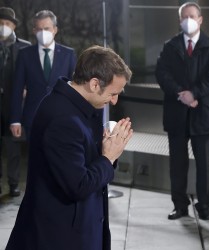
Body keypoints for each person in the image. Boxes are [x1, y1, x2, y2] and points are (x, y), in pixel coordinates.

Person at [5, 45, 133, 250]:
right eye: (113, 93)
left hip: (78, 228)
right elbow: (79, 186)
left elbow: (87, 161)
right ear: (94, 84)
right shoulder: (63, 119)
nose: (114, 100)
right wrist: (108, 157)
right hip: (59, 236)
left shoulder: (81, 105)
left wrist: (107, 148)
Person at [155, 2, 209, 220]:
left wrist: (194, 94)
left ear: (200, 19)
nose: (188, 19)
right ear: (179, 20)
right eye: (184, 16)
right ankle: (180, 205)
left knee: (205, 165)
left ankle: (204, 206)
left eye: (192, 16)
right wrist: (181, 93)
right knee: (177, 164)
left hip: (204, 114)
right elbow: (162, 74)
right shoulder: (170, 46)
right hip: (177, 114)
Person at [10, 9, 76, 140]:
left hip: (61, 118)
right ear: (34, 31)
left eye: (46, 28)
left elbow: (75, 88)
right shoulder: (25, 54)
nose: (43, 32)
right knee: (35, 159)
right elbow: (17, 89)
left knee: (59, 158)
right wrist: (15, 120)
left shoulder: (68, 54)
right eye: (39, 29)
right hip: (32, 118)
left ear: (55, 30)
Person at [0, 7, 31, 196]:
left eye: (6, 24)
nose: (3, 27)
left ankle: (13, 183)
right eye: (0, 24)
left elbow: (31, 72)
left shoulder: (24, 47)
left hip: (13, 104)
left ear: (13, 26)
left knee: (13, 146)